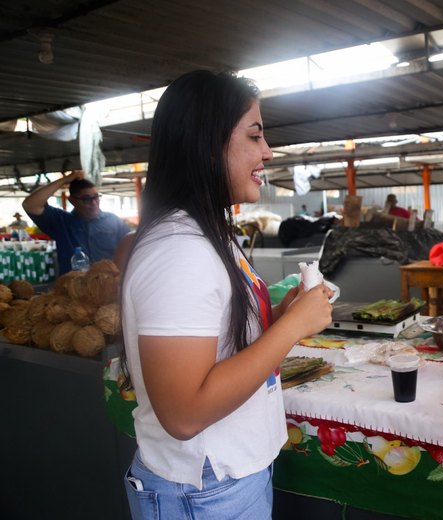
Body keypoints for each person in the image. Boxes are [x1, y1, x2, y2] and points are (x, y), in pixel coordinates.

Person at [120, 70, 333, 519]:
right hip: (204, 490)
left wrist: (278, 313)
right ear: (205, 142)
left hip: (225, 480)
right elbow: (183, 414)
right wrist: (293, 327)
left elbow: (220, 342)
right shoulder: (179, 250)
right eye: (254, 136)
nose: (267, 151)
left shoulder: (209, 232)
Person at [22, 171, 131, 273]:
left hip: (109, 285)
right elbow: (30, 204)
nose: (93, 203)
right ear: (72, 201)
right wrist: (63, 180)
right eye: (86, 199)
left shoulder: (113, 220)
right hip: (74, 287)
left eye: (96, 197)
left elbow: (133, 246)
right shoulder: (61, 221)